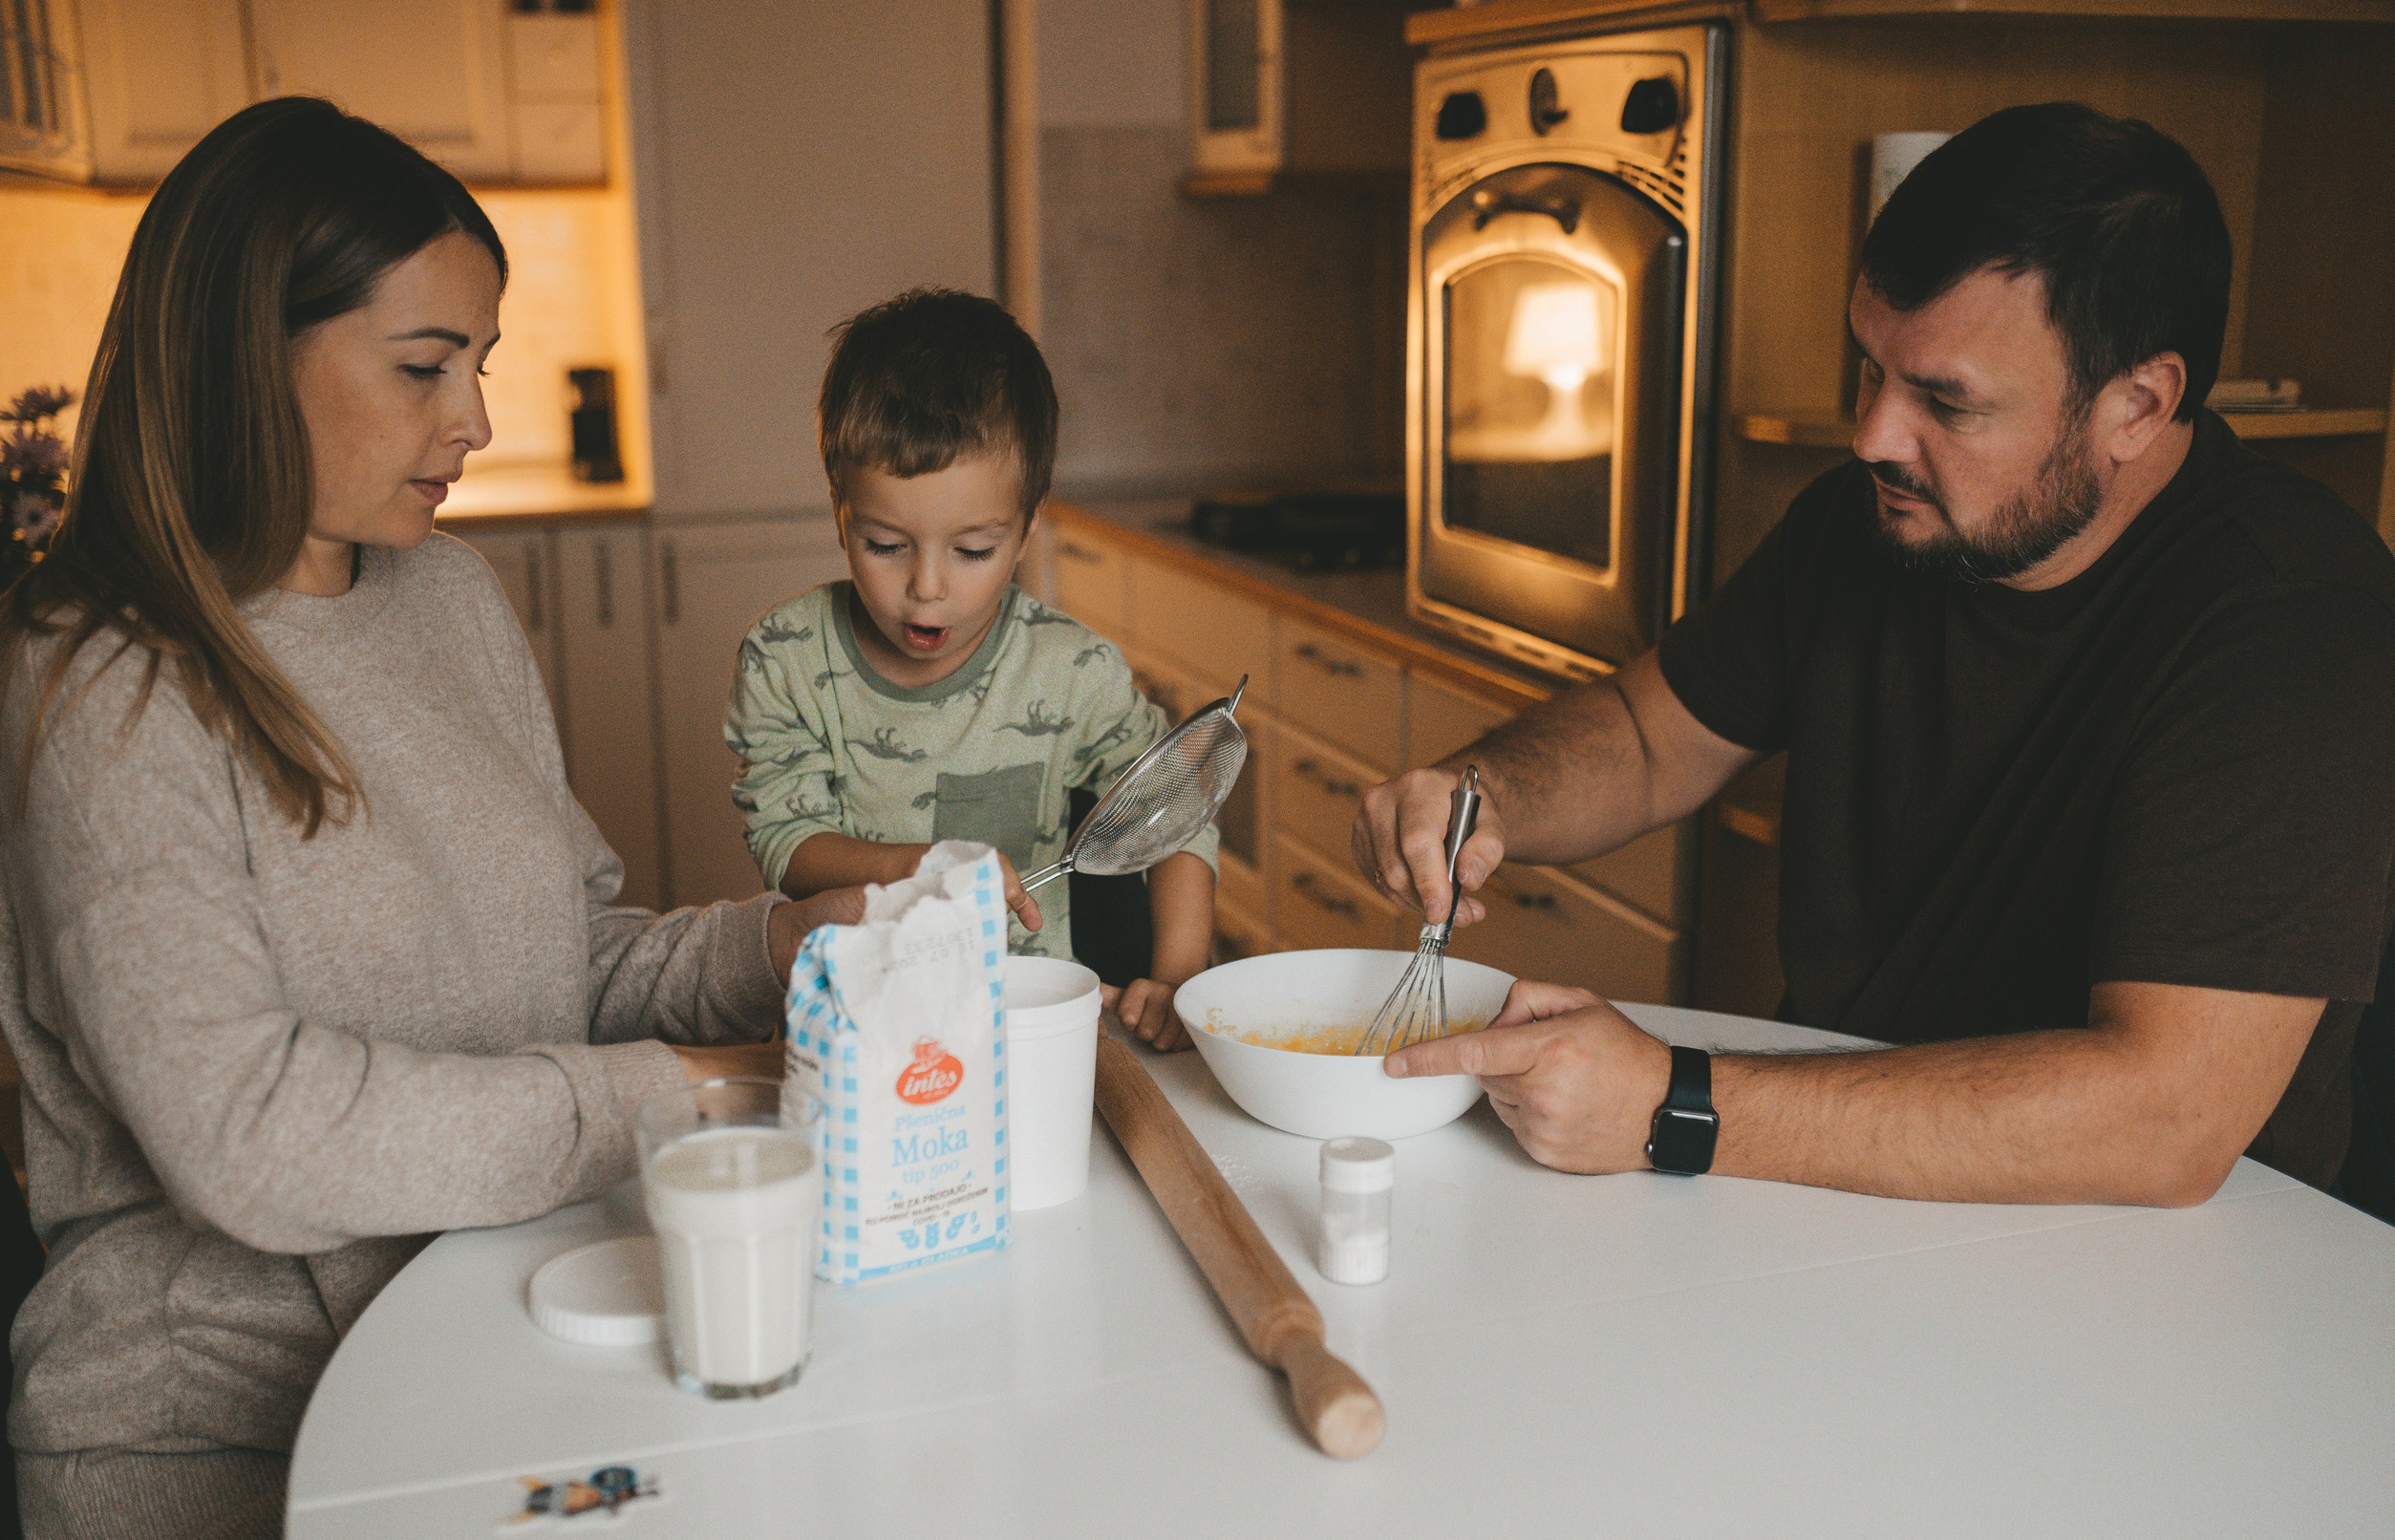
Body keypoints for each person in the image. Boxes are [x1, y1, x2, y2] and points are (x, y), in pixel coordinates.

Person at [0, 99, 864, 1540]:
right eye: (425, 366)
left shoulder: (446, 595)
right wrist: (675, 1094)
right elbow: (244, 1130)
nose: (476, 421)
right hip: (238, 1453)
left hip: (492, 1339)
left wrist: (784, 940)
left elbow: (564, 964)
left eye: (480, 367)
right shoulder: (99, 683)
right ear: (250, 353)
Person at [1353, 102, 2395, 1206]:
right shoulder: (1875, 523)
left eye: (1944, 400)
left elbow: (2164, 1118)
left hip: (2143, 1265)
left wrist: (1674, 1100)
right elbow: (1653, 739)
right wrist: (1484, 790)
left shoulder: (2295, 622)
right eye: (1869, 370)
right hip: (1846, 1174)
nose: (1872, 437)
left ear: (2134, 405)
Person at [723, 289, 1216, 1050]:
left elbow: (1176, 798)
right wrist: (924, 866)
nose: (927, 586)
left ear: (1025, 528)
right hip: (866, 1032)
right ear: (839, 508)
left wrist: (1180, 974)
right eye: (886, 545)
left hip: (1032, 1034)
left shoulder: (1072, 670)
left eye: (974, 551)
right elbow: (789, 842)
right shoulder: (784, 659)